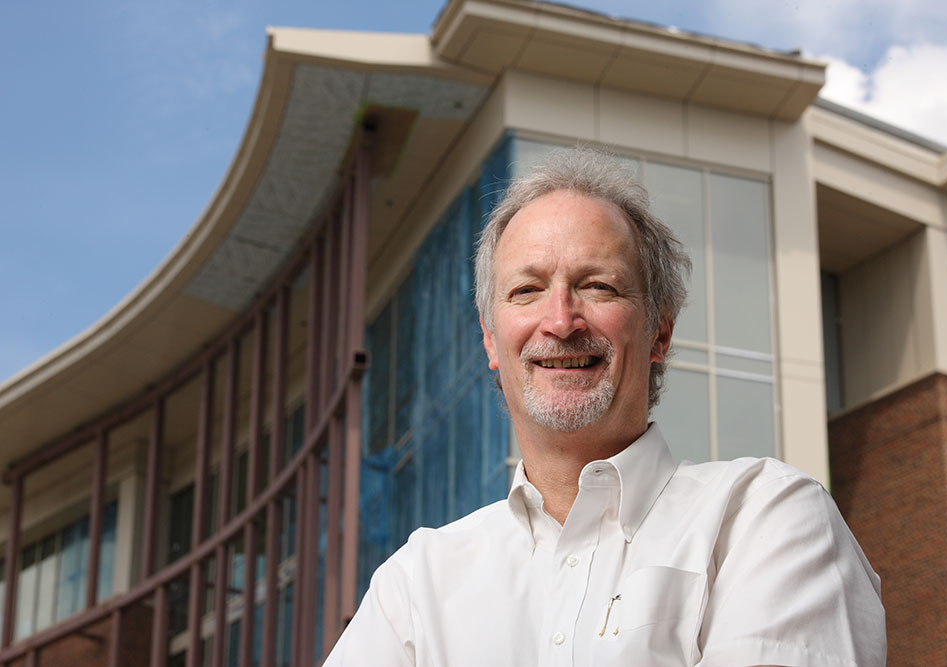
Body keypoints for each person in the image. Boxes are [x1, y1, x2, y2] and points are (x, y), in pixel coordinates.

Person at [324, 148, 886, 666]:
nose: (562, 321)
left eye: (598, 286)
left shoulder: (761, 517)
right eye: (527, 290)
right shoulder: (417, 582)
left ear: (659, 333)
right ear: (492, 341)